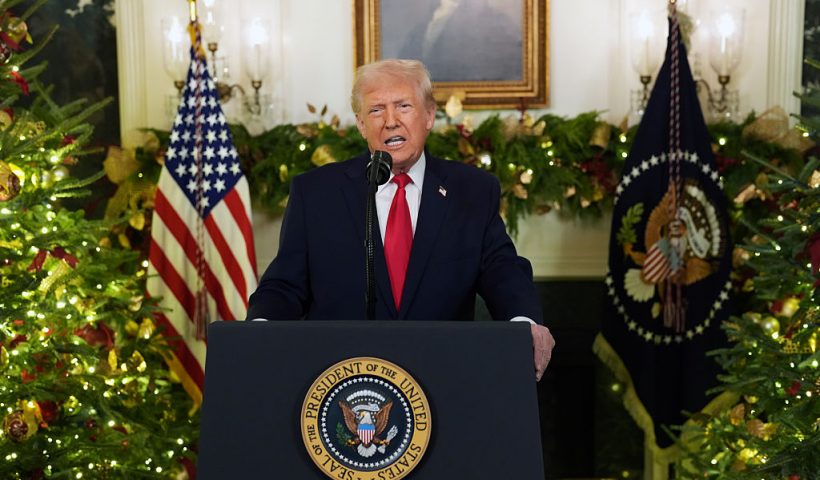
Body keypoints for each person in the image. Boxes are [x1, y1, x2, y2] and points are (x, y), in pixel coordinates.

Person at [246, 59, 554, 380]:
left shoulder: (472, 190)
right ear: (361, 125)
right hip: (342, 380)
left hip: (442, 378)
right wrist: (258, 330)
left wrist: (525, 324)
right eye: (376, 110)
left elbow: (503, 271)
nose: (390, 121)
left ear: (429, 115)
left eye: (403, 106)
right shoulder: (316, 193)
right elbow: (285, 284)